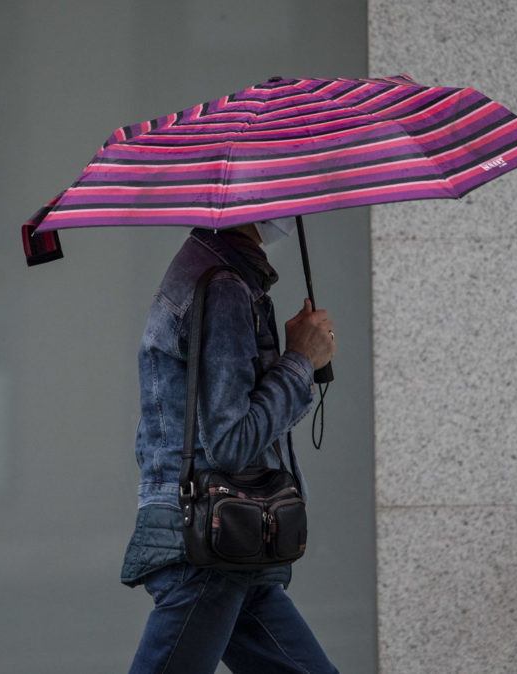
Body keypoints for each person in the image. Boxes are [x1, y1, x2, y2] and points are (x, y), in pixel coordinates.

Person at [122, 221, 338, 673]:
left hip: (230, 545)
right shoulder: (223, 286)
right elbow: (229, 442)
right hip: (207, 547)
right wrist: (300, 361)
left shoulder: (220, 274)